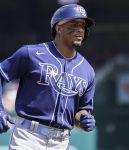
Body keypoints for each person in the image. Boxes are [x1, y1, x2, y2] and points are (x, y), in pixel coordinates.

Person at [0, 4, 96, 150]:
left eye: (83, 26)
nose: (80, 30)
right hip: (28, 137)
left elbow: (81, 110)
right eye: (74, 24)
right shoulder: (30, 54)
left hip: (61, 142)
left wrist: (84, 119)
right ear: (58, 28)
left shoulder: (88, 70)